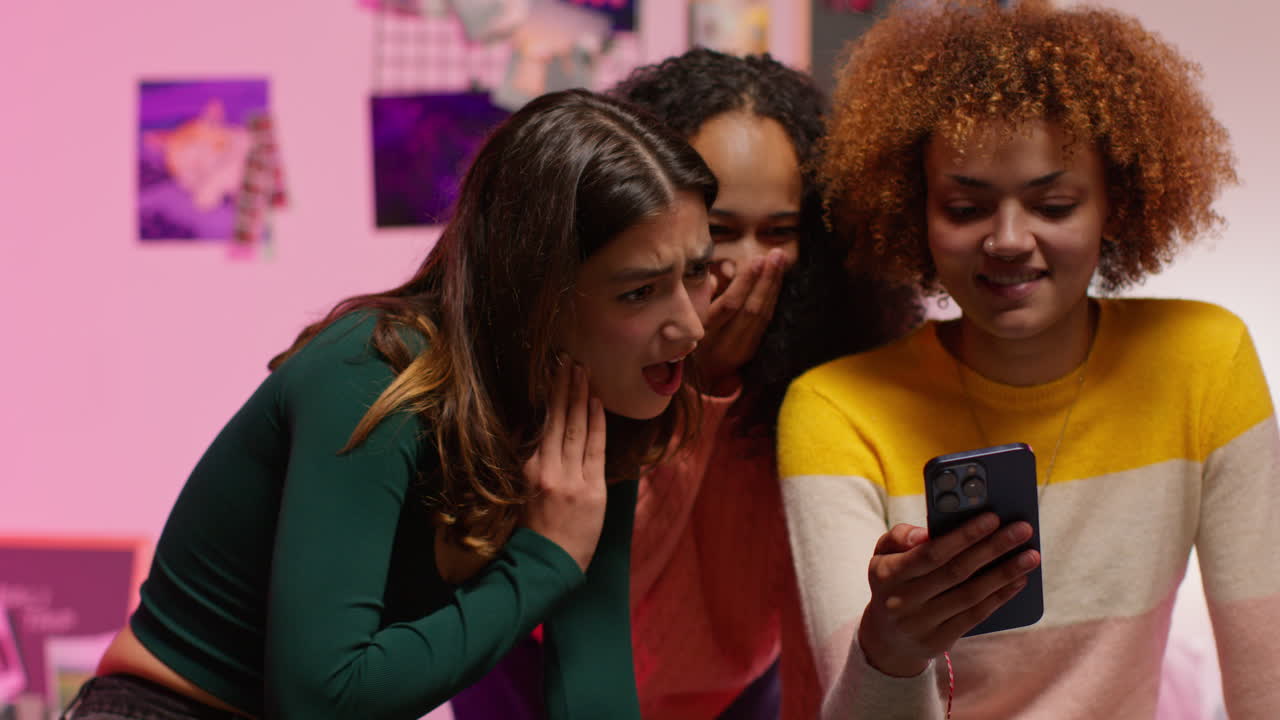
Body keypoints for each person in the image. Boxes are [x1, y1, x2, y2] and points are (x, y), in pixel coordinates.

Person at [62, 88, 719, 720]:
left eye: (697, 271)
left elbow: (591, 687)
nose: (690, 326)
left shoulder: (591, 406)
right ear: (535, 294)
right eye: (640, 292)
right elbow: (323, 701)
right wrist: (544, 561)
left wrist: (554, 558)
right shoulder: (378, 372)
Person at [777, 1, 1279, 718]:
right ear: (915, 211)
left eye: (1053, 204)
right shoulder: (836, 411)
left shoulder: (1203, 359)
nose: (1008, 239)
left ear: (1117, 204)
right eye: (965, 207)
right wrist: (891, 648)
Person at [451, 49, 917, 720]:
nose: (749, 265)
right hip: (539, 674)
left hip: (737, 693)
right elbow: (595, 590)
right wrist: (691, 382)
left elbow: (824, 616)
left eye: (779, 233)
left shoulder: (831, 375)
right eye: (719, 230)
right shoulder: (570, 351)